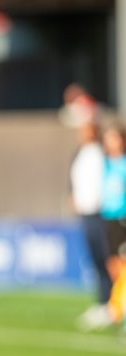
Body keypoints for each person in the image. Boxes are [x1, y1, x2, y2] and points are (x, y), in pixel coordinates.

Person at [71, 120, 113, 331]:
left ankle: (112, 304)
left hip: (101, 214)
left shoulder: (101, 154)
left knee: (108, 260)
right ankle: (102, 302)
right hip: (86, 214)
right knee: (96, 259)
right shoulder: (80, 153)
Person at [100, 124, 126, 327]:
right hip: (108, 217)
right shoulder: (104, 164)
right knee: (113, 264)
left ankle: (118, 308)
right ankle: (117, 305)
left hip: (122, 218)